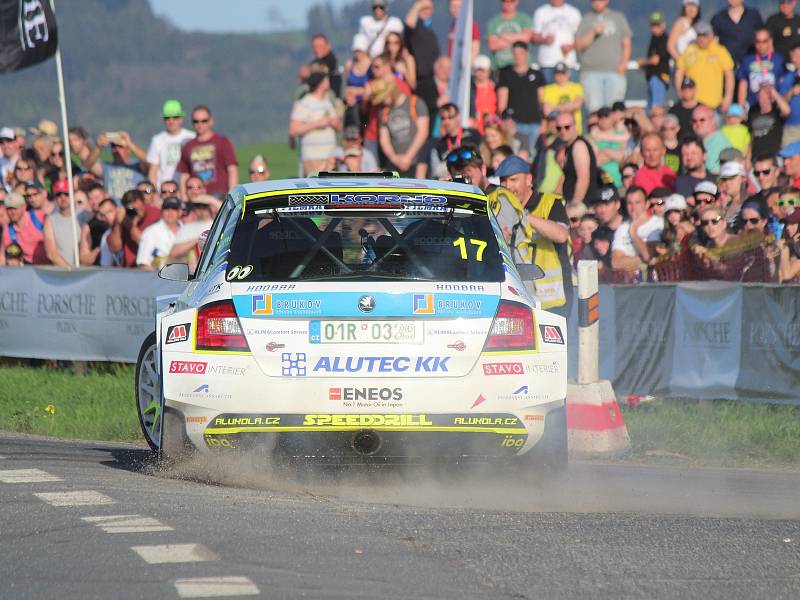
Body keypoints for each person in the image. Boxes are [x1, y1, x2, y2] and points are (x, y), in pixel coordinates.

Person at [496, 154, 572, 317]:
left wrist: (523, 216)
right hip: (520, 297)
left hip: (553, 299)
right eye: (503, 181)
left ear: (529, 179)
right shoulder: (501, 210)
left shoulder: (551, 203)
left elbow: (561, 235)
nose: (507, 186)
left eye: (513, 180)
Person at [570, 0, 632, 113]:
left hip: (615, 71)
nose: (597, 3)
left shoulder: (618, 18)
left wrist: (623, 64)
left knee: (615, 110)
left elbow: (626, 43)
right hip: (590, 72)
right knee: (594, 110)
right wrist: (593, 32)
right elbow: (579, 45)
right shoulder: (586, 19)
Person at [177, 105, 238, 199]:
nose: (199, 124)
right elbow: (184, 175)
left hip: (220, 197)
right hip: (196, 199)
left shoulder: (222, 142)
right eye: (196, 121)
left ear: (211, 121)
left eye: (204, 121)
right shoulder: (188, 146)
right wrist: (184, 199)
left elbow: (232, 170)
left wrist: (231, 197)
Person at [288, 72, 341, 176]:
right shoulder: (304, 103)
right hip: (312, 156)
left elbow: (339, 127)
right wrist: (317, 124)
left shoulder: (328, 103)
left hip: (330, 154)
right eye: (326, 80)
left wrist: (335, 123)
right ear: (320, 83)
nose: (328, 83)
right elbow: (293, 130)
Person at [675, 22, 735, 113]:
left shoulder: (720, 51)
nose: (701, 39)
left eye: (704, 35)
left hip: (713, 105)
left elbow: (729, 75)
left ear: (711, 36)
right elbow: (679, 72)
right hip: (692, 104)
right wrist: (680, 93)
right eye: (699, 35)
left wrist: (728, 97)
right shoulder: (689, 50)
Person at [497, 41, 545, 156]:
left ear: (526, 53)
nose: (518, 56)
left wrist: (544, 121)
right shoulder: (506, 73)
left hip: (534, 123)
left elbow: (542, 100)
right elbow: (502, 101)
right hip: (514, 123)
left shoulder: (536, 74)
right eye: (515, 53)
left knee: (533, 155)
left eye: (521, 53)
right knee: (517, 154)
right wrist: (504, 119)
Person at [376, 79, 429, 177]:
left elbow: (423, 133)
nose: (382, 101)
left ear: (391, 93)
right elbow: (384, 139)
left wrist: (408, 157)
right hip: (395, 165)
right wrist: (394, 158)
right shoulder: (384, 112)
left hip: (416, 163)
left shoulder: (416, 103)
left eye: (383, 97)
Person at [84, 131, 149, 204]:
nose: (117, 149)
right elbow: (88, 164)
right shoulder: (106, 167)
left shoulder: (137, 165)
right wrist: (98, 147)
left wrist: (130, 143)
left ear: (129, 150)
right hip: (114, 210)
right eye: (113, 146)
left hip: (134, 206)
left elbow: (149, 160)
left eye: (120, 146)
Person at [106, 188, 161, 268]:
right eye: (131, 208)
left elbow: (144, 242)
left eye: (138, 207)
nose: (135, 211)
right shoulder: (123, 216)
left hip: (151, 267)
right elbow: (115, 248)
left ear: (143, 203)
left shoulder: (156, 214)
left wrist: (131, 225)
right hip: (130, 269)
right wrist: (118, 223)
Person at [147, 99, 195, 188]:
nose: (171, 121)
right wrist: (154, 193)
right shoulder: (157, 140)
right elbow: (153, 170)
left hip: (187, 189)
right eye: (167, 118)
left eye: (175, 117)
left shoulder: (191, 137)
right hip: (164, 191)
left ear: (181, 119)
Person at [531, 0, 581, 82]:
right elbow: (533, 37)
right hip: (547, 63)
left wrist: (571, 46)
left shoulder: (574, 12)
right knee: (549, 93)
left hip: (568, 64)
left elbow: (581, 39)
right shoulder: (541, 12)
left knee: (568, 94)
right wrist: (544, 40)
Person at [557, 111, 599, 206]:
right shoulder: (568, 147)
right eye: (559, 128)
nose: (563, 131)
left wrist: (575, 205)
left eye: (567, 127)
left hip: (583, 204)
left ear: (575, 126)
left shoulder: (578, 146)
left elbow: (583, 179)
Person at [737, 29, 786, 108]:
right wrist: (741, 108)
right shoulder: (747, 60)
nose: (761, 44)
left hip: (773, 104)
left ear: (770, 41)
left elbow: (783, 83)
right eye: (758, 41)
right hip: (753, 105)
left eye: (764, 41)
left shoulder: (778, 59)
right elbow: (743, 84)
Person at [431, 103, 482, 179]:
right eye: (443, 118)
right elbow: (436, 172)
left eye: (450, 117)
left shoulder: (473, 134)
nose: (446, 122)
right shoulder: (439, 144)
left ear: (458, 117)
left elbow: (482, 158)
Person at [711, 0, 764, 67]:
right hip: (727, 67)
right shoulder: (718, 18)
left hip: (752, 65)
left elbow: (763, 38)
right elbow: (713, 43)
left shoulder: (754, 15)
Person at [136, 196, 182, 270]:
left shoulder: (187, 231)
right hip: (159, 280)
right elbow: (143, 264)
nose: (170, 212)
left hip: (188, 280)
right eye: (166, 208)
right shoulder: (150, 232)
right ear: (161, 211)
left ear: (180, 212)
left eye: (174, 208)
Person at [637, 12, 671, 111]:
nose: (655, 28)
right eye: (653, 25)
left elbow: (655, 60)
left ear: (663, 25)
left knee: (656, 107)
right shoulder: (654, 38)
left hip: (659, 76)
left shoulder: (663, 38)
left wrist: (643, 62)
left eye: (657, 25)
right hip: (653, 76)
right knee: (651, 106)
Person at [0, 191, 47, 264]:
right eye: (9, 208)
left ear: (24, 206)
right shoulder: (8, 231)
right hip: (29, 269)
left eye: (15, 208)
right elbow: (2, 256)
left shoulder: (39, 218)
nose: (12, 212)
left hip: (51, 266)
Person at [486, 0, 533, 71]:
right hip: (499, 67)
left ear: (517, 2)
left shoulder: (525, 19)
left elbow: (526, 38)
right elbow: (492, 45)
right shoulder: (493, 22)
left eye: (511, 1)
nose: (508, 3)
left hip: (522, 69)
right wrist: (517, 40)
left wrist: (504, 36)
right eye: (505, 1)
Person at [43, 179, 80, 267]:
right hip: (63, 273)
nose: (63, 198)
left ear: (73, 195)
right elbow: (51, 253)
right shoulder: (50, 220)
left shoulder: (85, 216)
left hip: (86, 273)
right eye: (59, 195)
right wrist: (70, 271)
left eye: (66, 194)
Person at [540, 62, 584, 135]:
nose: (560, 76)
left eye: (563, 73)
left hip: (575, 131)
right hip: (556, 132)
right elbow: (547, 111)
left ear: (568, 73)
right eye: (558, 73)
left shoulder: (576, 87)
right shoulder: (548, 89)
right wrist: (569, 106)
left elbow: (577, 105)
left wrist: (554, 108)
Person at [749, 83, 791, 158]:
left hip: (774, 155)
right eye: (761, 97)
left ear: (771, 98)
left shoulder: (776, 111)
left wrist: (774, 92)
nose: (764, 100)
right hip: (756, 156)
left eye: (766, 97)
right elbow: (749, 137)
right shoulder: (753, 111)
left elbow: (787, 111)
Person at [589, 106, 627, 189]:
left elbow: (623, 157)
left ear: (612, 117)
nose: (603, 119)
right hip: (600, 184)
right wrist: (614, 154)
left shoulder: (622, 134)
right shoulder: (591, 137)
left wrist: (604, 151)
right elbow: (595, 161)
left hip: (619, 183)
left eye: (606, 116)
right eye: (600, 116)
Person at [403, 0, 438, 83]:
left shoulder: (429, 29)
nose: (426, 11)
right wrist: (419, 4)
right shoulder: (414, 26)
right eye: (423, 8)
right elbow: (409, 22)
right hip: (419, 77)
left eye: (429, 8)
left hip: (432, 77)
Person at [692, 105, 733, 175]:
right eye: (694, 121)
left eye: (702, 120)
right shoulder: (703, 141)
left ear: (713, 121)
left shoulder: (718, 142)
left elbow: (715, 173)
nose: (698, 123)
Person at [344, 34, 372, 128]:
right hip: (353, 108)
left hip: (368, 107)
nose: (358, 54)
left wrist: (357, 91)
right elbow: (346, 86)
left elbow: (373, 88)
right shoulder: (349, 64)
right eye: (356, 51)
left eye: (360, 51)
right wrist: (349, 95)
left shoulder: (372, 65)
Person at [470, 55, 498, 135]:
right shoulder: (469, 88)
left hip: (491, 128)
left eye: (483, 70)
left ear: (489, 71)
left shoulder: (495, 87)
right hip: (474, 128)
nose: (480, 73)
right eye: (478, 70)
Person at [779, 43, 800, 146]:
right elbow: (781, 102)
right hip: (792, 127)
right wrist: (791, 92)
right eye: (793, 57)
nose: (794, 60)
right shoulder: (789, 78)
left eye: (797, 56)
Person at [778, 208, 800, 281]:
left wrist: (784, 250)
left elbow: (786, 276)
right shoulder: (792, 244)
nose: (788, 228)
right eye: (787, 224)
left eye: (793, 224)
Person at [0, 127, 21, 192]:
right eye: (1, 142)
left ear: (16, 142)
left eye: (9, 141)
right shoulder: (1, 162)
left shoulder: (23, 161)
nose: (5, 145)